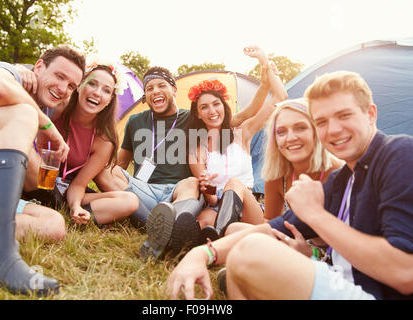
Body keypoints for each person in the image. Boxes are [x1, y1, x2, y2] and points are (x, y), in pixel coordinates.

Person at [167, 71, 413, 300]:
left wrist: (315, 216)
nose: (334, 129)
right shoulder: (344, 180)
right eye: (323, 121)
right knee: (241, 256)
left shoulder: (396, 154)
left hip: (369, 292)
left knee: (249, 250)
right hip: (337, 276)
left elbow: (405, 273)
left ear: (371, 114)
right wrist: (202, 253)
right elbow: (273, 227)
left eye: (344, 115)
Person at [0, 46, 85, 295]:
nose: (63, 89)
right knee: (24, 112)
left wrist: (42, 159)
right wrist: (47, 127)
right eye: (59, 76)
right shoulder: (9, 72)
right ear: (38, 67)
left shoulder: (43, 109)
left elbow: (31, 183)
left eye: (71, 86)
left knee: (54, 224)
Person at [94, 66, 204, 259]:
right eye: (149, 88)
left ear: (174, 90)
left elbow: (228, 121)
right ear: (145, 95)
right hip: (143, 192)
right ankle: (161, 227)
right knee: (103, 168)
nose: (155, 91)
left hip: (178, 193)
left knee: (192, 182)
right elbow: (120, 164)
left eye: (161, 85)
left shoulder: (192, 119)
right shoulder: (135, 121)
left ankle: (166, 224)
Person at [185, 46, 287, 243]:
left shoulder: (243, 133)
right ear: (198, 114)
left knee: (235, 184)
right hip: (217, 206)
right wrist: (207, 189)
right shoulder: (197, 150)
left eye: (216, 104)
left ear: (224, 107)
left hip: (248, 208)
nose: (212, 111)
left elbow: (280, 97)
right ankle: (221, 237)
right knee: (204, 221)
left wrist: (264, 60)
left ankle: (221, 237)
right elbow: (212, 200)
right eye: (204, 107)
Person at [23, 62, 139, 226]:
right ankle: (48, 204)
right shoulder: (58, 107)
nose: (97, 93)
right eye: (92, 83)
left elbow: (79, 185)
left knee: (130, 200)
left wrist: (76, 205)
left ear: (110, 100)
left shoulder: (104, 140)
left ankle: (74, 214)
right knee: (25, 150)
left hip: (66, 192)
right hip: (37, 176)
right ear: (79, 86)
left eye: (106, 90)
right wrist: (21, 71)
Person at [225, 98, 344, 254]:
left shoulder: (337, 171)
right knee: (234, 229)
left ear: (316, 130)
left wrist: (310, 252)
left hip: (335, 250)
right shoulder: (278, 175)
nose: (291, 138)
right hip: (292, 240)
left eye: (300, 128)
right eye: (281, 132)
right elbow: (270, 222)